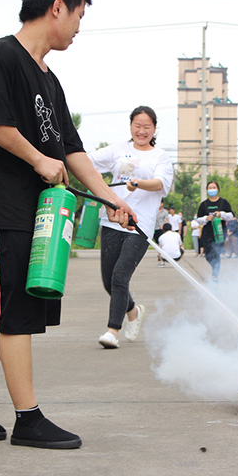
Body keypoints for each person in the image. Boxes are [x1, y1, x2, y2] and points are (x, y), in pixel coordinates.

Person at [0, 0, 135, 451]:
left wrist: (108, 195)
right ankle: (28, 419)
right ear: (58, 6)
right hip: (1, 207)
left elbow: (72, 149)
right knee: (13, 314)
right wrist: (39, 159)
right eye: (80, 15)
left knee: (17, 307)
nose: (80, 28)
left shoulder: (50, 80)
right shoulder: (0, 56)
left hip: (38, 212)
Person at [89, 105, 174, 349]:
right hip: (113, 220)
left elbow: (160, 183)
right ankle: (133, 311)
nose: (142, 130)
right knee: (109, 281)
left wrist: (140, 182)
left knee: (120, 276)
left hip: (140, 225)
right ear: (131, 126)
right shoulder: (118, 150)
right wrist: (101, 187)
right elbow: (88, 163)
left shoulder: (160, 157)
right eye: (138, 125)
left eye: (147, 126)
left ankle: (112, 331)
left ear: (154, 129)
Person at [194, 181, 234, 281]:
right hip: (207, 233)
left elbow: (231, 216)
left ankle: (215, 274)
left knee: (216, 253)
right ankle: (215, 267)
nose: (212, 189)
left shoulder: (223, 202)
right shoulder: (204, 204)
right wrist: (206, 218)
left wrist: (221, 214)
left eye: (214, 187)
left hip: (219, 233)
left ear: (218, 189)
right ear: (207, 190)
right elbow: (198, 219)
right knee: (208, 255)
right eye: (210, 188)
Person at [153, 200, 169, 266]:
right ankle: (160, 255)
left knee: (161, 244)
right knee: (157, 244)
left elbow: (167, 220)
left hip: (161, 230)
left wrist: (164, 226)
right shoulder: (154, 210)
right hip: (154, 229)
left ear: (162, 204)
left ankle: (162, 258)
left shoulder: (165, 212)